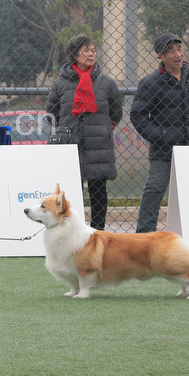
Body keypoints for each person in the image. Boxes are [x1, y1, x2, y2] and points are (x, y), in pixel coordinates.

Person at [130, 32, 189, 233]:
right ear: (160, 56)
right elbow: (138, 114)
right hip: (164, 149)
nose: (177, 54)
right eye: (170, 51)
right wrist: (159, 136)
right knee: (155, 188)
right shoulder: (151, 82)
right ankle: (145, 234)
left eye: (179, 49)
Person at [45, 35, 122, 230]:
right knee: (72, 190)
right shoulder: (60, 84)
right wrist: (67, 129)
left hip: (98, 144)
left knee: (98, 190)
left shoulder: (107, 83)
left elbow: (116, 113)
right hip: (71, 144)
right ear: (74, 54)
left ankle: (98, 231)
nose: (91, 54)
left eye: (93, 50)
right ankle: (72, 231)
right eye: (86, 50)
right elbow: (52, 114)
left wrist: (102, 128)